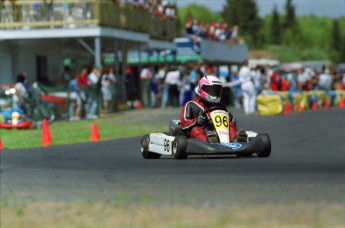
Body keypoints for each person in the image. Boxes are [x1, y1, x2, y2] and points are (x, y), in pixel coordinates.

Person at [180, 75, 239, 143]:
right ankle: (208, 141)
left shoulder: (220, 105)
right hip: (202, 132)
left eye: (217, 91)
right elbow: (183, 124)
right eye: (212, 90)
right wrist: (197, 121)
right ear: (203, 89)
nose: (214, 93)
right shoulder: (191, 104)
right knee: (195, 129)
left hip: (219, 131)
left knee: (230, 124)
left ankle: (235, 139)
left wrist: (230, 118)